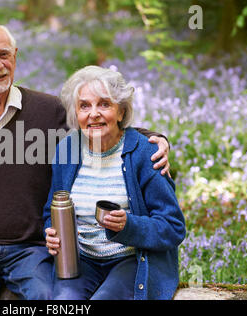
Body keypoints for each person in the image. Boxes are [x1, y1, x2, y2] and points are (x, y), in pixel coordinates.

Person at [0, 22, 171, 300]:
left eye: (4, 54)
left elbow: (99, 126)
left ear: (15, 56)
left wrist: (154, 138)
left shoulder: (49, 110)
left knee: (45, 297)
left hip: (32, 247)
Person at [44, 65, 186, 300]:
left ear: (121, 112)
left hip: (131, 261)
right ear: (76, 114)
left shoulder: (145, 153)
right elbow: (50, 210)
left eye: (104, 104)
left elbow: (173, 227)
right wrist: (50, 231)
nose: (94, 113)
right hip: (81, 261)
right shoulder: (66, 150)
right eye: (84, 106)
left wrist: (128, 226)